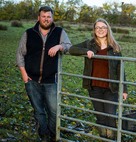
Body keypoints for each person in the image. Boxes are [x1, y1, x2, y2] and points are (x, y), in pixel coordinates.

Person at [16, 6, 72, 141]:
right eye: (44, 16)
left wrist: (59, 46)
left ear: (52, 18)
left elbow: (69, 46)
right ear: (38, 18)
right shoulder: (29, 33)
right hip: (31, 79)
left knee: (53, 110)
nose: (46, 19)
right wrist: (24, 74)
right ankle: (44, 135)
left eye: (49, 17)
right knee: (39, 110)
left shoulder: (59, 32)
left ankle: (53, 135)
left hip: (51, 80)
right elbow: (19, 54)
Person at [69, 18, 128, 140]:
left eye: (103, 27)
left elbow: (120, 70)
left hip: (111, 88)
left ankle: (112, 139)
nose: (100, 30)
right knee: (100, 117)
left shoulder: (115, 48)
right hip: (94, 87)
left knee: (111, 116)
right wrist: (86, 51)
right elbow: (72, 49)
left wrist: (124, 89)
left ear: (107, 30)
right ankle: (103, 137)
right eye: (98, 28)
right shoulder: (89, 44)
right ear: (94, 30)